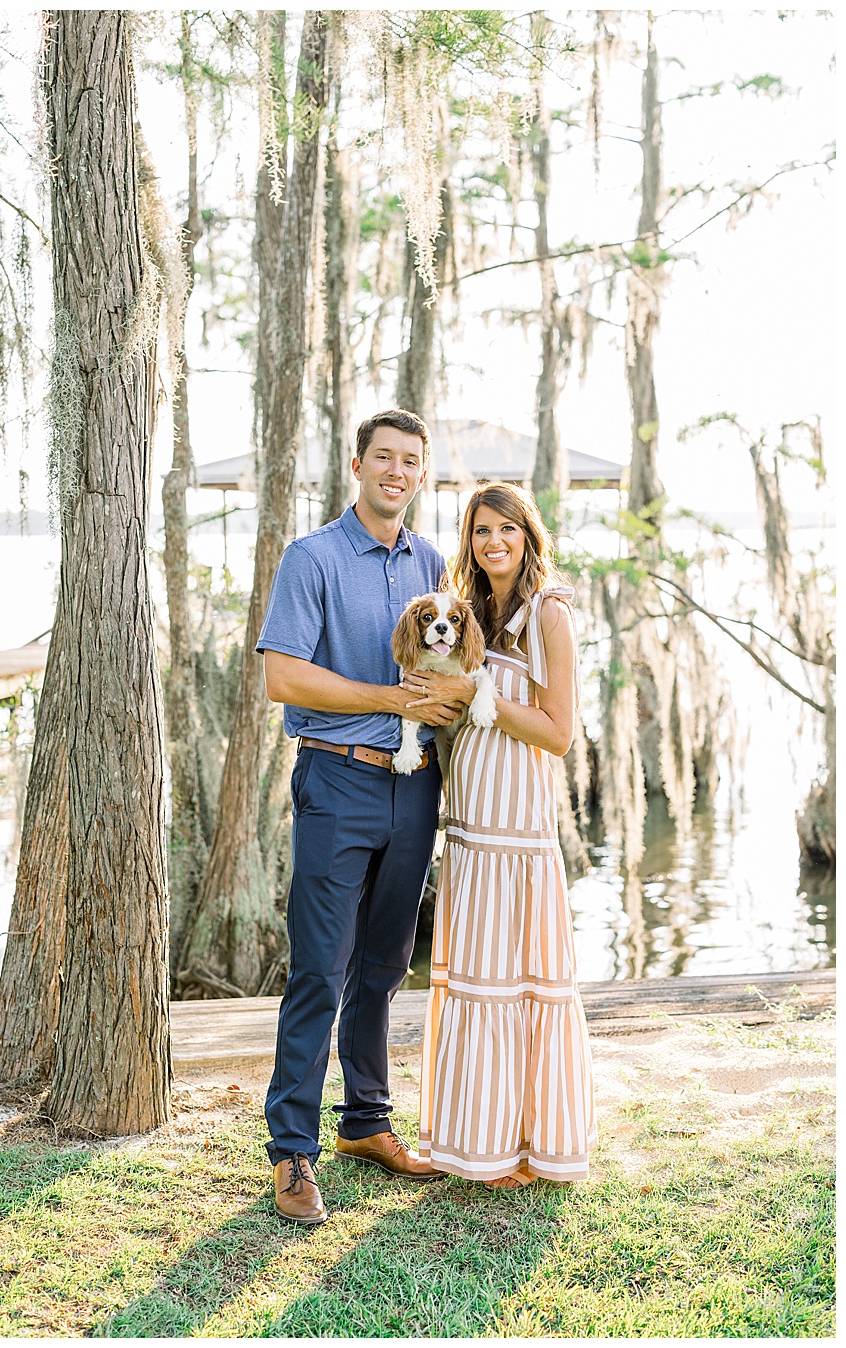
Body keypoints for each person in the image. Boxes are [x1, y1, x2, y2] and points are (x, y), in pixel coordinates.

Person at [254, 408, 466, 1225]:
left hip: (413, 787)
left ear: (421, 474)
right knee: (317, 968)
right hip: (337, 782)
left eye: (411, 461)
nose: (397, 471)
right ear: (357, 465)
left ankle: (367, 1124)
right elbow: (283, 677)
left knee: (381, 966)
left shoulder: (434, 564)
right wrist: (385, 698)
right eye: (384, 457)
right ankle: (293, 1153)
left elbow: (459, 667)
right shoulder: (311, 559)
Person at [402, 482, 597, 1187]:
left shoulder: (549, 611)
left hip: (520, 829)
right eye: (481, 531)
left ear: (527, 535)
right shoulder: (472, 608)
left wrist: (483, 699)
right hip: (472, 825)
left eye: (506, 530)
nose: (493, 543)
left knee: (518, 984)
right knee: (476, 981)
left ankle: (523, 1145)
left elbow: (559, 732)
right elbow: (449, 698)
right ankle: (473, 1141)